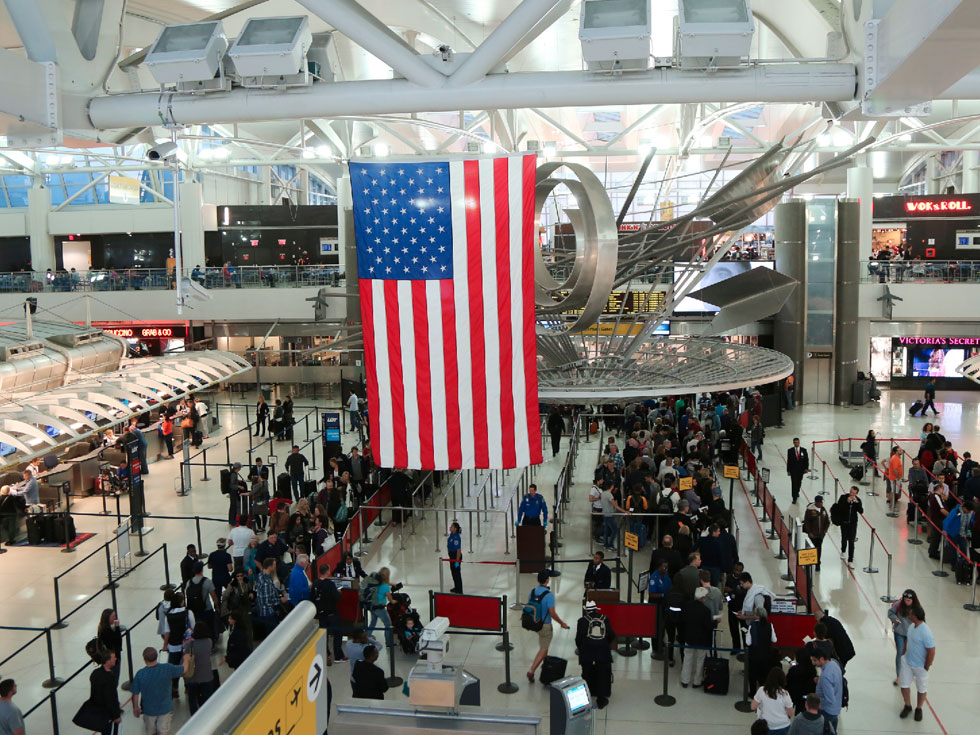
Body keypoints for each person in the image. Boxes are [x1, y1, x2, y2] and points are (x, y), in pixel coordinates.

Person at [526, 570, 570, 683]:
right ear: (547, 580)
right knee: (543, 648)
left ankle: (545, 667)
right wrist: (562, 623)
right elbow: (552, 613)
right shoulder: (549, 595)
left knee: (544, 645)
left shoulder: (533, 591)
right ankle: (531, 671)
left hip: (535, 623)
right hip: (545, 625)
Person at [574, 600, 615, 708]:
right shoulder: (604, 618)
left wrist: (581, 649)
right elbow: (612, 635)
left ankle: (586, 699)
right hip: (602, 651)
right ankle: (601, 700)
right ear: (596, 609)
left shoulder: (582, 621)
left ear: (586, 610)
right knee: (602, 674)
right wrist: (605, 644)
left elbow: (578, 639)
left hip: (587, 652)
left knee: (586, 674)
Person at [899, 605, 935, 722]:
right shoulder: (911, 627)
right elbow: (908, 640)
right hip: (907, 662)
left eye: (910, 614)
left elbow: (931, 651)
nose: (909, 615)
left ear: (915, 616)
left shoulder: (926, 632)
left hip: (920, 666)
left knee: (921, 688)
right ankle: (907, 706)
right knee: (904, 685)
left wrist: (926, 666)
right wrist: (903, 653)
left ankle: (919, 708)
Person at [680, 586, 715, 689]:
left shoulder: (687, 606)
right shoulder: (706, 611)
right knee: (700, 660)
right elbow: (708, 626)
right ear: (703, 597)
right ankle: (697, 681)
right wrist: (715, 623)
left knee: (687, 658)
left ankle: (685, 680)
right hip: (701, 640)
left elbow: (683, 620)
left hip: (689, 637)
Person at [84, 650, 122, 735]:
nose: (115, 659)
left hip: (98, 709)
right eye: (113, 658)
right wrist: (116, 715)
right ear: (108, 661)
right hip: (107, 713)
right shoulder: (110, 678)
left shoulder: (95, 673)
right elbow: (111, 698)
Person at [888, 590, 919, 687]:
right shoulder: (899, 604)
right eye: (905, 600)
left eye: (909, 600)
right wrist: (894, 618)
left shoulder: (917, 609)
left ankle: (911, 673)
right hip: (899, 633)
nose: (907, 602)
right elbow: (890, 612)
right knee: (900, 653)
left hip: (911, 634)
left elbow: (922, 621)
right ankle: (899, 676)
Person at [751, 666, 795, 735]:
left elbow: (753, 707)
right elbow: (791, 713)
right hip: (783, 726)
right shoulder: (785, 694)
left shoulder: (762, 690)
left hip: (766, 726)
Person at [313, 565, 343, 660]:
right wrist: (339, 593)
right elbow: (337, 598)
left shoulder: (315, 583)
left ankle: (326, 654)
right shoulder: (330, 584)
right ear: (327, 572)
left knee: (323, 635)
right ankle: (338, 656)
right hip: (332, 613)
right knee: (337, 634)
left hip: (321, 614)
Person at [746, 607, 778, 693]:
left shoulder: (752, 626)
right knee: (763, 675)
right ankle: (763, 693)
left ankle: (752, 692)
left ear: (756, 615)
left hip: (754, 655)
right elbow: (774, 640)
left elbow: (748, 643)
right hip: (766, 655)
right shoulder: (769, 625)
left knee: (752, 675)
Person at [811, 648, 843, 734]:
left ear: (821, 659)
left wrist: (815, 701)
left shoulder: (825, 676)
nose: (813, 663)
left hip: (826, 711)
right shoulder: (834, 663)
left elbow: (830, 699)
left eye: (815, 660)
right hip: (835, 709)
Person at [186, 621, 214, 715]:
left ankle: (194, 716)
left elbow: (185, 658)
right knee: (207, 697)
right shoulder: (209, 641)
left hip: (193, 676)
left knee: (192, 699)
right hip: (206, 675)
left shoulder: (190, 644)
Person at [814, 609, 855, 674]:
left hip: (842, 651)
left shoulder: (824, 622)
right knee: (839, 669)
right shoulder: (832, 619)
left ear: (817, 618)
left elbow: (825, 639)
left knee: (837, 670)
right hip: (847, 648)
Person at [367, 567, 397, 648]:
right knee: (388, 625)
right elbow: (389, 597)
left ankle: (366, 638)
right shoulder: (385, 587)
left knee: (372, 623)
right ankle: (389, 643)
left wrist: (391, 584)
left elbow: (385, 583)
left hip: (372, 606)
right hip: (380, 608)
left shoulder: (375, 582)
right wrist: (393, 601)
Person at [838, 486, 864, 567]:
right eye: (851, 492)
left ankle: (850, 559)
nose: (851, 494)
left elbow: (861, 511)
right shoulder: (843, 497)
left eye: (853, 493)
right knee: (844, 538)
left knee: (851, 541)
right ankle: (843, 550)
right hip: (844, 522)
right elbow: (839, 507)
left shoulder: (858, 500)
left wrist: (857, 503)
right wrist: (847, 502)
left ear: (856, 493)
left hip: (853, 523)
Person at [785, 648, 817, 715]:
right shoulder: (812, 670)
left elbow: (787, 682)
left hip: (793, 696)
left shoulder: (793, 670)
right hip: (805, 697)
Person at [802, 496, 830, 572]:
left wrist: (824, 531)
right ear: (816, 502)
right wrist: (809, 532)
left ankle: (817, 564)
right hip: (813, 534)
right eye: (820, 502)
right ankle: (809, 564)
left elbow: (827, 521)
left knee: (819, 549)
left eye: (822, 502)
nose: (821, 503)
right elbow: (806, 522)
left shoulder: (823, 510)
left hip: (820, 535)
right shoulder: (810, 510)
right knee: (811, 549)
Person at [96, 609, 124, 684]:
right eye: (113, 616)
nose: (115, 618)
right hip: (113, 657)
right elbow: (118, 643)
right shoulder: (107, 631)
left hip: (106, 657)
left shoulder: (101, 628)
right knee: (114, 680)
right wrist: (117, 628)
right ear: (107, 618)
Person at [599, 480, 628, 551]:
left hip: (604, 514)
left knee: (606, 530)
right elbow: (615, 505)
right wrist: (624, 511)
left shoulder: (603, 494)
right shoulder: (609, 495)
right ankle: (610, 545)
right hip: (609, 515)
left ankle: (606, 545)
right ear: (611, 486)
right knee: (615, 530)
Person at [207, 539, 233, 603]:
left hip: (215, 578)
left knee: (217, 596)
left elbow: (209, 566)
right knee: (231, 593)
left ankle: (217, 609)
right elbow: (230, 569)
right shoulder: (227, 555)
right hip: (225, 577)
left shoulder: (212, 554)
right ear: (224, 545)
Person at [786, 438, 809, 504]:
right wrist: (788, 470)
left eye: (797, 442)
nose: (796, 443)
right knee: (794, 483)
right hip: (793, 470)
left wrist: (806, 468)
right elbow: (789, 461)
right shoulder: (790, 451)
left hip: (801, 470)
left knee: (799, 482)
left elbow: (806, 459)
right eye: (795, 442)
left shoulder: (803, 450)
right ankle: (794, 497)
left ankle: (797, 491)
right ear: (793, 443)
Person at [447, 522, 463, 594]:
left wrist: (457, 561)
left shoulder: (456, 538)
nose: (450, 527)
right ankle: (456, 587)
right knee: (453, 573)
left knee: (457, 574)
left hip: (456, 556)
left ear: (455, 529)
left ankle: (459, 590)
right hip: (451, 556)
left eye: (451, 526)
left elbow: (458, 551)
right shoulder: (452, 535)